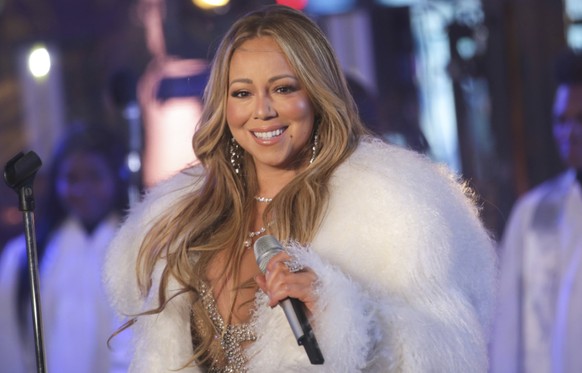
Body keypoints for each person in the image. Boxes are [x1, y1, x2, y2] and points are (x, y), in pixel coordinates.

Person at [103, 5, 497, 372]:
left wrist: (348, 318)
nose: (263, 110)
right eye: (242, 93)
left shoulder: (391, 207)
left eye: (283, 88)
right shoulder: (183, 216)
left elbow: (452, 352)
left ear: (317, 93)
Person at [0, 124, 131, 373]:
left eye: (95, 176)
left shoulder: (139, 249)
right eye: (71, 179)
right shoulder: (23, 256)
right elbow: (10, 346)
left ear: (115, 177)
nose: (83, 190)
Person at [490, 49, 582, 373]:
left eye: (580, 119)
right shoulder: (534, 212)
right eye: (562, 121)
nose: (570, 133)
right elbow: (508, 322)